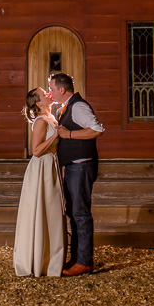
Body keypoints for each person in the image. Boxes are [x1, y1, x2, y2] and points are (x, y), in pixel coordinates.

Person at [49, 72, 104, 277]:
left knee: (80, 214)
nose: (50, 93)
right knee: (74, 212)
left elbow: (97, 129)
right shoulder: (67, 106)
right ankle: (77, 257)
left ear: (62, 90)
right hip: (73, 166)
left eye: (52, 89)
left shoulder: (79, 106)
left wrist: (69, 134)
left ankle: (84, 262)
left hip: (81, 167)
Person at [13, 87, 67, 277]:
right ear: (38, 102)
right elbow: (36, 151)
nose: (48, 94)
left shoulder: (53, 117)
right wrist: (55, 136)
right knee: (42, 209)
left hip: (52, 166)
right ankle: (37, 261)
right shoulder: (40, 121)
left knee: (52, 212)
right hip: (41, 168)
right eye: (45, 94)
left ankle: (52, 259)